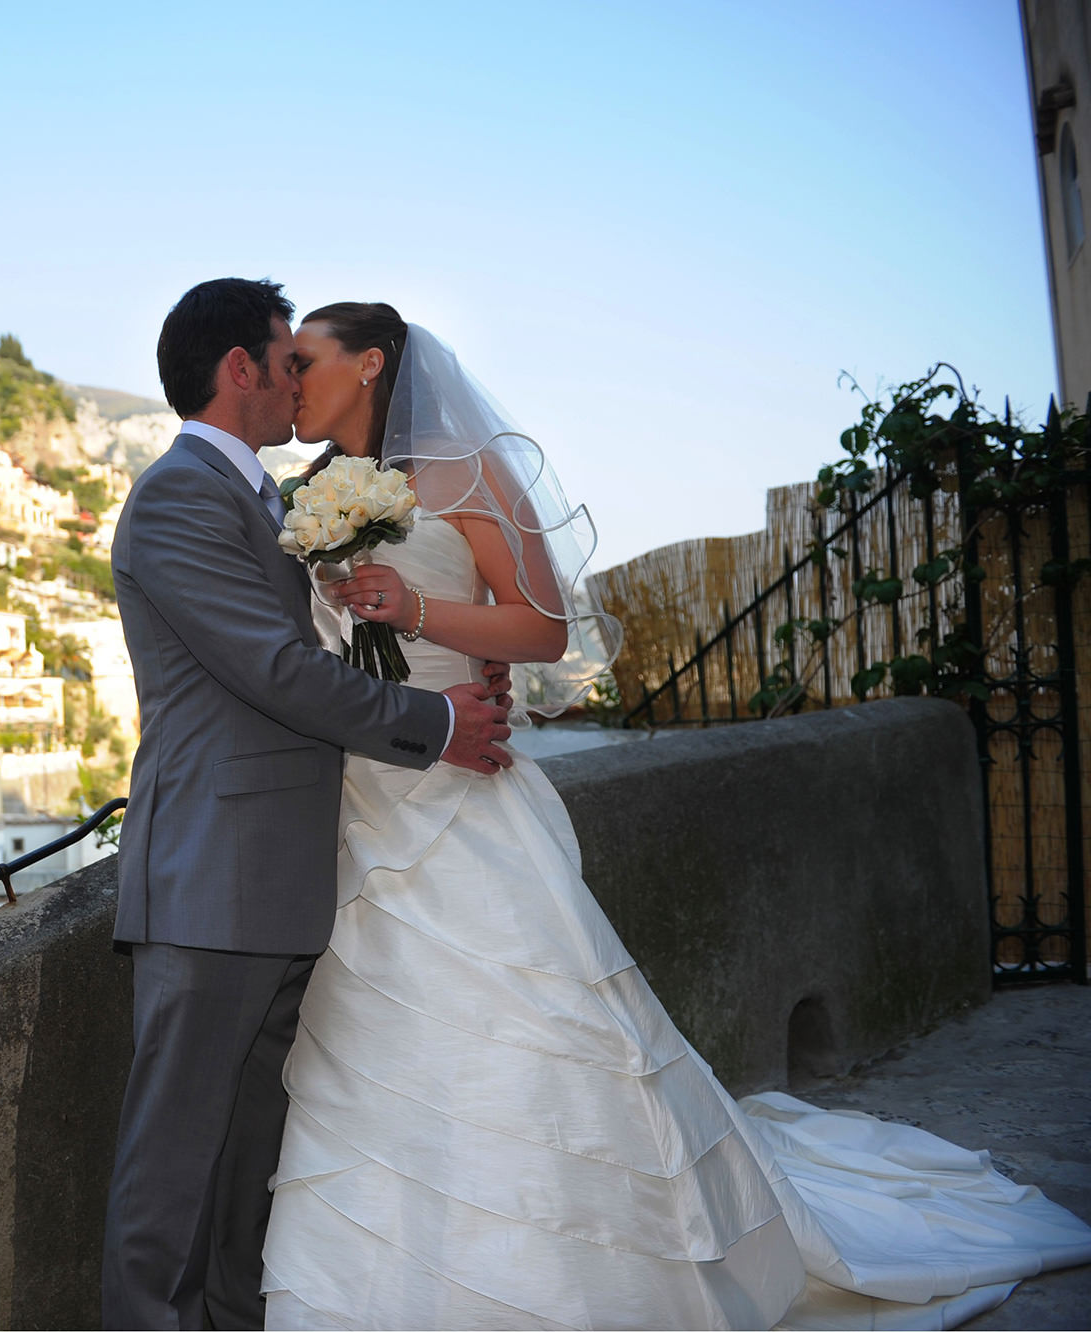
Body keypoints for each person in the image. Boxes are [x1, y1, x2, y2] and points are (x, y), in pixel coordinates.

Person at [257, 303, 1091, 1329]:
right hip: (356, 797)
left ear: (369, 362)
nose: (287, 375)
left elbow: (543, 624)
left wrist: (415, 610)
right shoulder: (296, 501)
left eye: (305, 358)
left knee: (525, 1015)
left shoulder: (465, 472)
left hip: (458, 788)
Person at [101, 278, 517, 1331]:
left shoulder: (254, 501)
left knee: (244, 1172)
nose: (299, 383)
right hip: (212, 876)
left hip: (274, 873)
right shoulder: (179, 496)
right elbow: (272, 670)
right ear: (239, 368)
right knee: (171, 1174)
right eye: (287, 361)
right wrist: (433, 725)